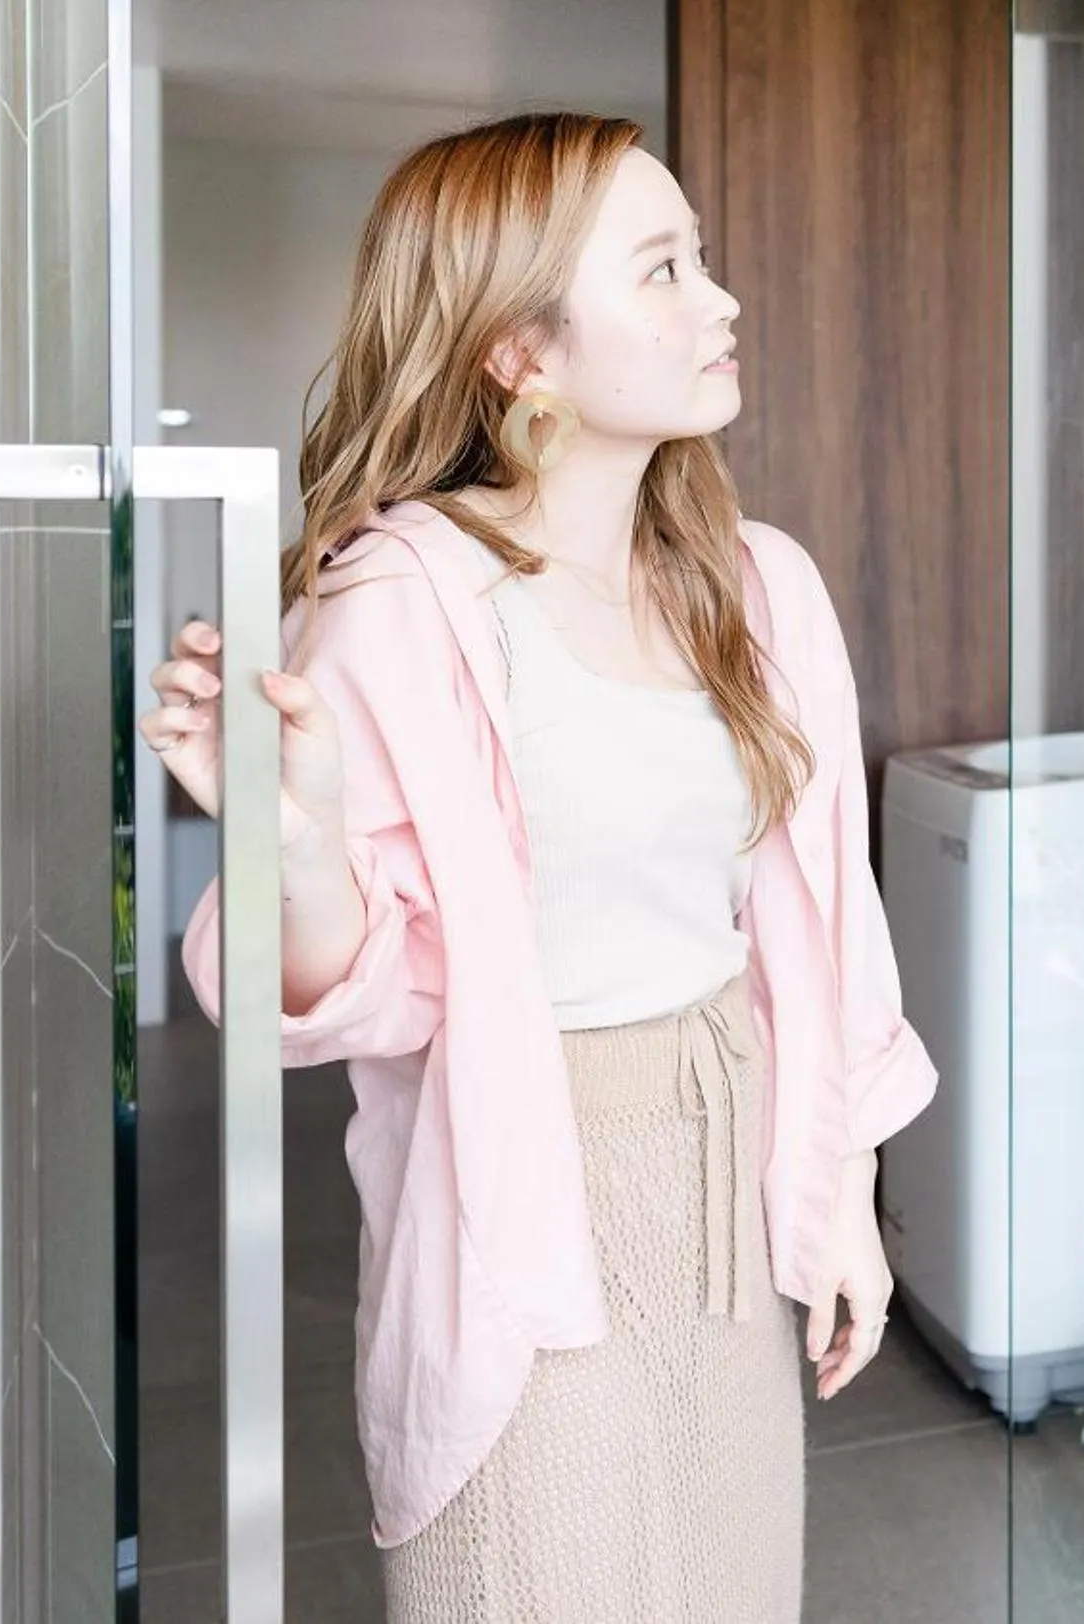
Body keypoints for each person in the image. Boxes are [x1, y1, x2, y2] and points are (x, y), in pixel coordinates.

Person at [139, 113, 939, 1622]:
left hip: (731, 1162)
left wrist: (844, 1187)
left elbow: (833, 924)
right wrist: (294, 841)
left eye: (699, 259)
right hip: (529, 1198)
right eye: (664, 270)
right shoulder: (404, 603)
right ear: (524, 354)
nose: (722, 301)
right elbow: (337, 997)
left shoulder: (759, 588)